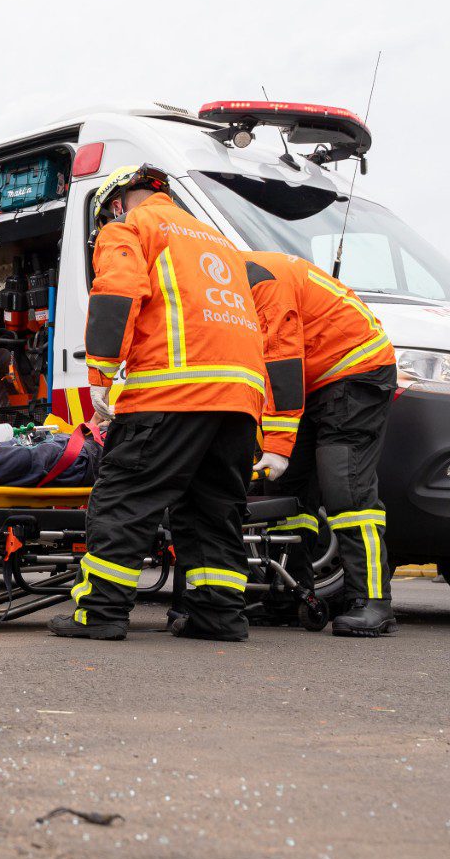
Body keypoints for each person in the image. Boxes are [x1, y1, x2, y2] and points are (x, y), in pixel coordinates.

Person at [49, 166, 268, 642]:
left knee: (125, 497)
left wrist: (101, 373)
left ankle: (101, 611)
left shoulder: (130, 227)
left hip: (172, 390)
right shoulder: (217, 242)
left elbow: (117, 291)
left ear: (116, 203)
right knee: (214, 509)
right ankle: (218, 615)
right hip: (239, 398)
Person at [242, 250, 399, 636]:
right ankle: (290, 596)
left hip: (354, 370)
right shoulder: (226, 284)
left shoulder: (261, 278)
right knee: (287, 493)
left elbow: (281, 357)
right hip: (311, 379)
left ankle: (372, 601)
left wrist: (277, 444)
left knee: (345, 487)